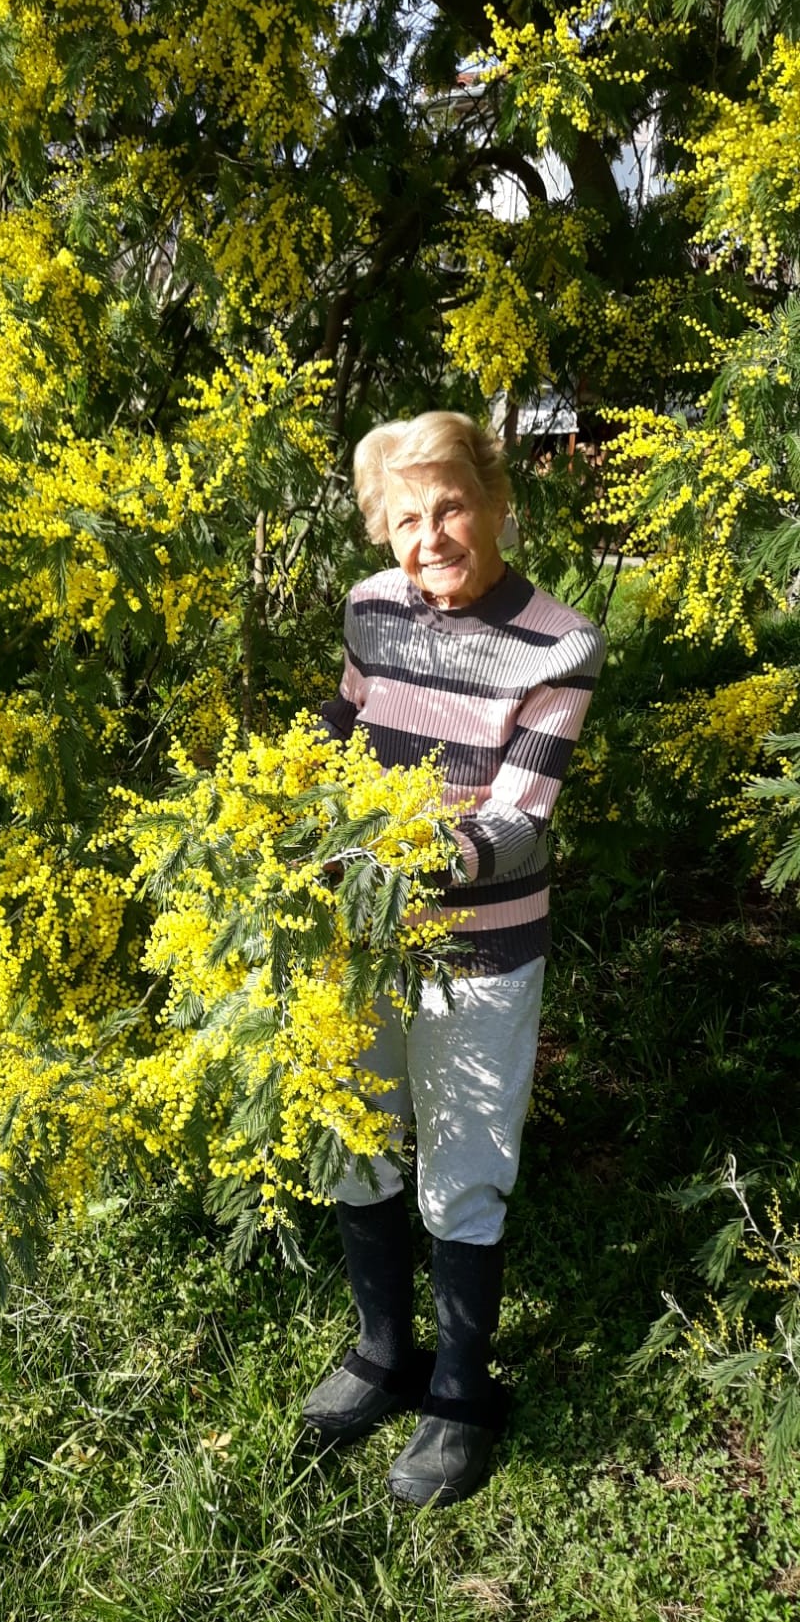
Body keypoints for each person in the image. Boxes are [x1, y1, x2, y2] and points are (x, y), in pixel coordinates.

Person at [303, 409, 605, 1506]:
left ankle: (460, 1392)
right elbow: (337, 737)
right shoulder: (369, 610)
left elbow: (520, 821)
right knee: (355, 1135)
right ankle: (384, 1351)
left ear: (493, 503)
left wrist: (385, 862)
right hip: (355, 936)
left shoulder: (558, 641)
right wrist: (287, 820)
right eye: (403, 518)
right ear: (381, 531)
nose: (427, 536)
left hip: (475, 951)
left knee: (465, 1172)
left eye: (450, 508)